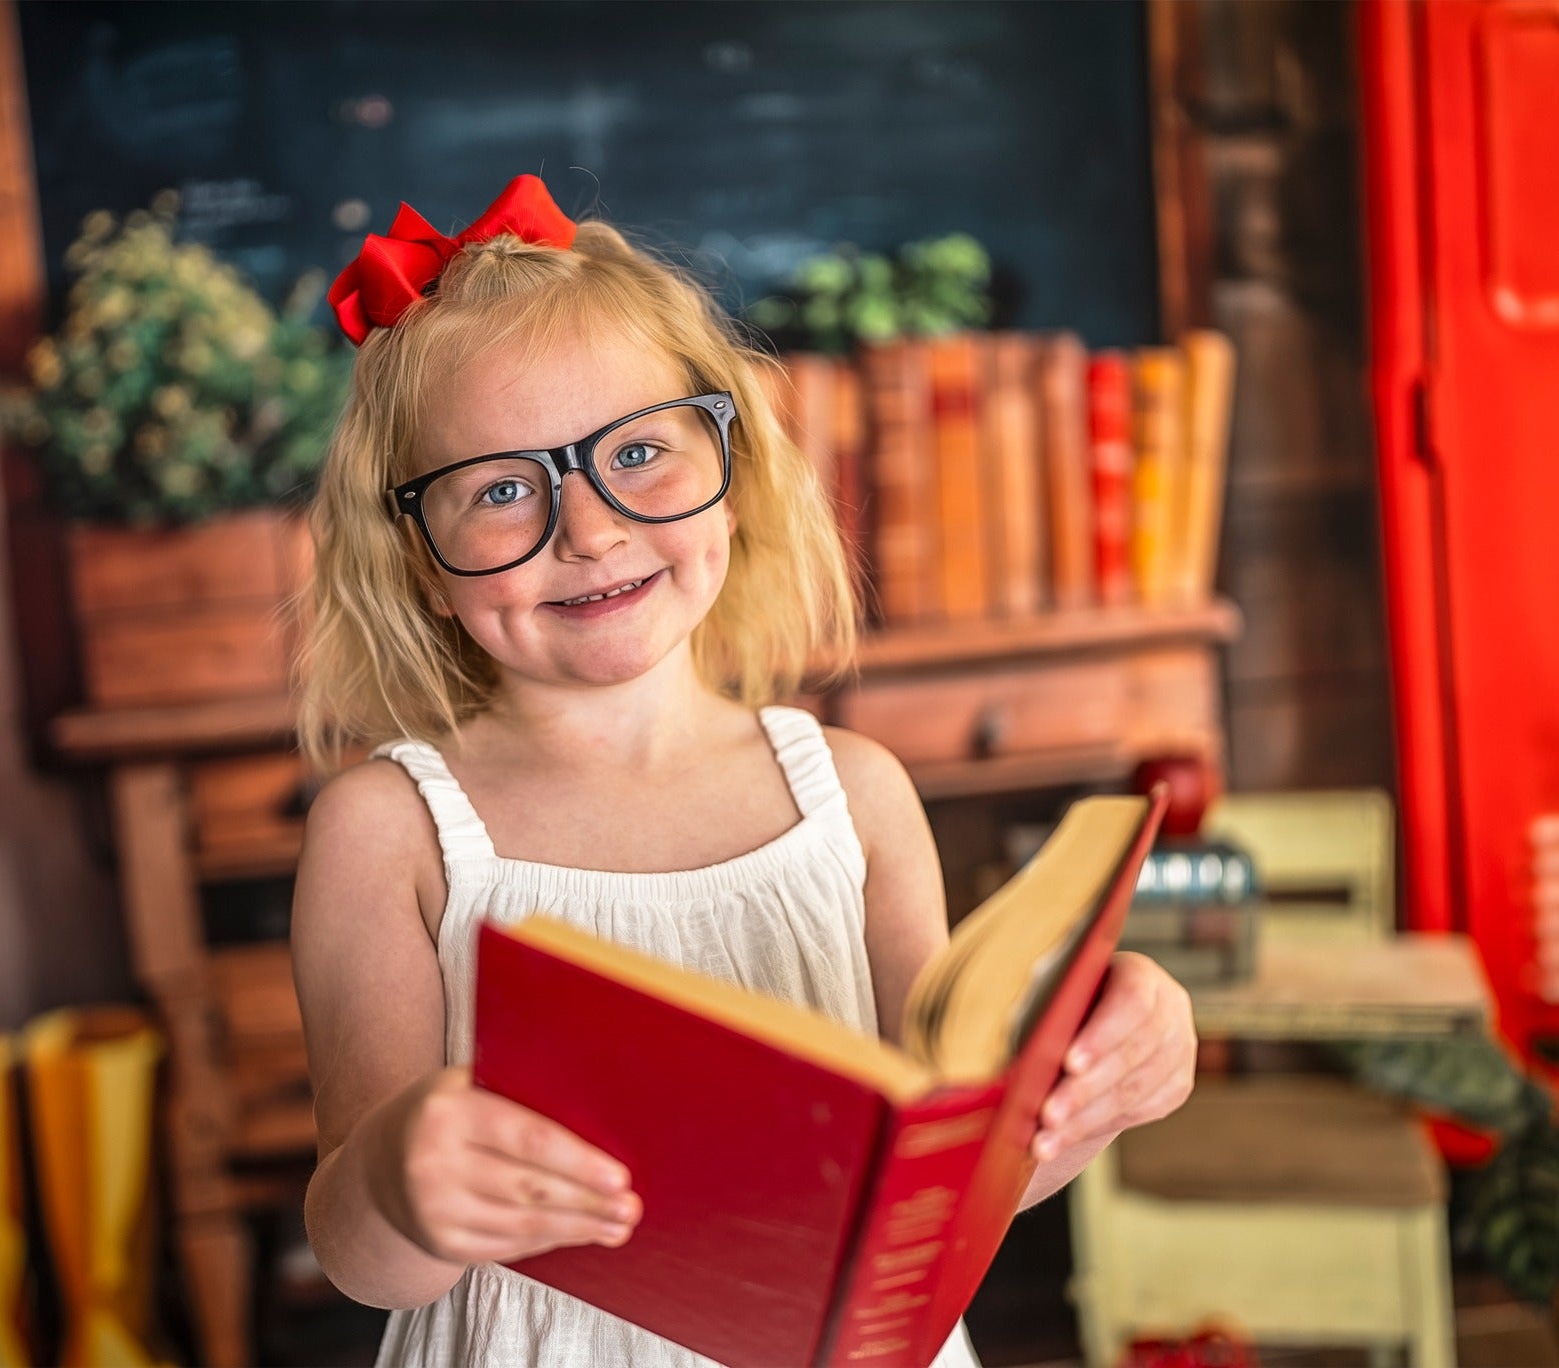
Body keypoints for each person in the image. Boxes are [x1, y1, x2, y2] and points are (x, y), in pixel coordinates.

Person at [290, 174, 1196, 1367]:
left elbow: (944, 1191)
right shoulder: (388, 834)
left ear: (733, 458)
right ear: (415, 553)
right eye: (503, 489)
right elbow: (359, 1259)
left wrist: (1099, 1082)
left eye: (639, 453)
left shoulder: (854, 797)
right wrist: (400, 1181)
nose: (591, 531)